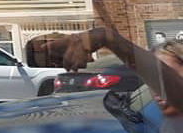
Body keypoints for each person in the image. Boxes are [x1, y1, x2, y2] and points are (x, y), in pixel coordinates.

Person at [43, 27, 183, 127]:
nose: (156, 87)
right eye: (149, 78)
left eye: (167, 74)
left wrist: (107, 37)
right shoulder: (166, 122)